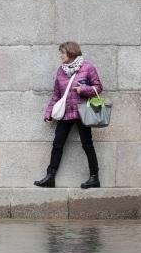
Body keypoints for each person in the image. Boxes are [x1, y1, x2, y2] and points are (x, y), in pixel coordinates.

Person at [34, 41, 102, 189]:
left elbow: (98, 87)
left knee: (87, 144)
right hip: (65, 114)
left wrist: (83, 89)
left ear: (71, 53)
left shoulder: (87, 67)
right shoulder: (61, 71)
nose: (60, 56)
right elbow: (56, 94)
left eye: (62, 52)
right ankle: (50, 177)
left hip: (83, 112)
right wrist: (49, 112)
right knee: (57, 144)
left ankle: (94, 177)